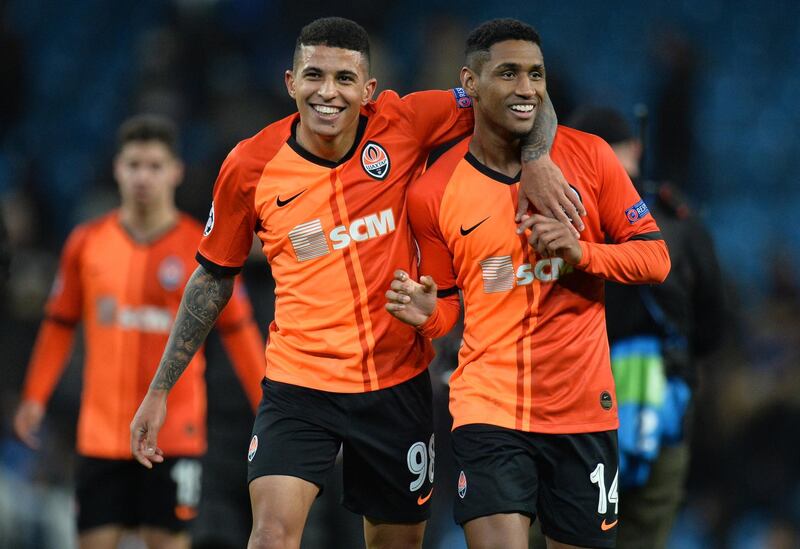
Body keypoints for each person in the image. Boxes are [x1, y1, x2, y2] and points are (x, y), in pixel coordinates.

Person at [129, 16, 584, 549]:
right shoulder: (250, 165)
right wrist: (159, 390)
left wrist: (536, 160)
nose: (328, 92)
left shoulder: (405, 122)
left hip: (395, 384)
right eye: (314, 76)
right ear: (290, 83)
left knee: (397, 543)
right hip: (300, 386)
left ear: (367, 89)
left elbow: (523, 96)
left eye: (344, 79)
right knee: (271, 534)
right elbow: (211, 280)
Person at [385, 19, 670, 549]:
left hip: (583, 410)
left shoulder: (590, 157)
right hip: (488, 410)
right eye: (509, 73)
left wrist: (579, 252)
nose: (526, 88)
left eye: (536, 74)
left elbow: (656, 259)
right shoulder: (433, 192)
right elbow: (449, 308)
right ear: (469, 82)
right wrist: (429, 314)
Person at [13, 114, 266, 549]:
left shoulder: (204, 249)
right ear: (117, 169)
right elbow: (58, 325)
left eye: (154, 165)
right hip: (100, 435)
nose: (143, 177)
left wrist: (270, 405)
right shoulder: (86, 243)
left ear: (175, 171)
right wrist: (34, 396)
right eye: (133, 165)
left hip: (176, 435)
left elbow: (240, 334)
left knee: (166, 542)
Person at [568, 105, 724, 549]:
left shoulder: (558, 223)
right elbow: (714, 326)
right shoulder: (679, 222)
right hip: (665, 401)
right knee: (645, 534)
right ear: (635, 147)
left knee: (565, 531)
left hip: (576, 405)